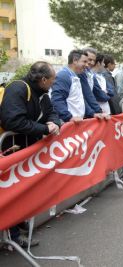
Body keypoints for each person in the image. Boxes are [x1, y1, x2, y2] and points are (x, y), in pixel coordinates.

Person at [0, 61, 62, 248]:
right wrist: (44, 129)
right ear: (43, 79)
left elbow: (52, 112)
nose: (54, 83)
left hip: (25, 148)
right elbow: (13, 122)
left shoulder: (42, 93)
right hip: (10, 149)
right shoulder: (18, 88)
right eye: (52, 79)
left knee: (22, 190)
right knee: (10, 191)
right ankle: (12, 235)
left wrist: (54, 123)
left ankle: (18, 221)